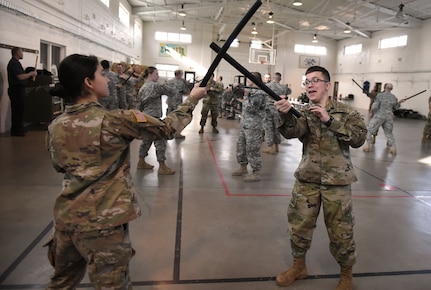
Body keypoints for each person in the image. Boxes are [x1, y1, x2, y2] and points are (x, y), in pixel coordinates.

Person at [44, 54, 207, 289]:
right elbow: (168, 128)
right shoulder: (116, 120)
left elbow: (59, 166)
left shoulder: (55, 125)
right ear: (88, 82)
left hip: (65, 221)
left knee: (61, 283)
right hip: (103, 225)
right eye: (102, 75)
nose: (108, 80)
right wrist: (191, 99)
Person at [274, 66, 367, 290]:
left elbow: (358, 139)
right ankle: (299, 266)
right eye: (307, 82)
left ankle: (346, 274)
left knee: (341, 231)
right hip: (308, 179)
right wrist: (285, 115)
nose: (310, 85)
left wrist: (329, 120)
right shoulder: (305, 112)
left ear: (327, 85)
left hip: (338, 183)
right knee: (299, 226)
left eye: (315, 80)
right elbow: (292, 132)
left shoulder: (347, 112)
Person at [137, 66, 178, 174]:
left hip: (145, 117)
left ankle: (141, 161)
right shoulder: (155, 86)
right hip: (154, 118)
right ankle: (162, 166)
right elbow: (172, 92)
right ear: (150, 74)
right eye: (156, 74)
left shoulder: (142, 88)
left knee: (146, 140)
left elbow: (139, 106)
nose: (158, 76)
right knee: (160, 141)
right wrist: (165, 84)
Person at [231, 72, 267, 182]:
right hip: (245, 124)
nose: (247, 81)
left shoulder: (260, 93)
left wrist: (246, 95)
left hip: (254, 126)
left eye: (249, 79)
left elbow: (252, 109)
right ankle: (243, 167)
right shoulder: (250, 91)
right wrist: (235, 89)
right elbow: (238, 96)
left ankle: (255, 172)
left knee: (252, 149)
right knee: (241, 146)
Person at [362, 83, 404, 155]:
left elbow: (375, 106)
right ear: (391, 89)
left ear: (384, 88)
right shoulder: (394, 97)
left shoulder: (380, 95)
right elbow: (396, 107)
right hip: (389, 117)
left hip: (379, 115)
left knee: (370, 129)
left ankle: (367, 146)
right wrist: (400, 102)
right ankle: (393, 148)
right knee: (389, 133)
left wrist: (372, 112)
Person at [6, 47, 37, 136]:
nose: (22, 54)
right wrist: (31, 73)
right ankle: (16, 131)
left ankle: (20, 128)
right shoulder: (14, 63)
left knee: (20, 110)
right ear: (17, 53)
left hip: (18, 89)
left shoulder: (16, 63)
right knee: (17, 110)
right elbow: (20, 77)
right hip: (16, 90)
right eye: (21, 52)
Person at [263, 72, 289, 154]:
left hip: (269, 109)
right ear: (280, 79)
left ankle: (270, 147)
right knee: (277, 128)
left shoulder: (267, 86)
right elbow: (287, 94)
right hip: (279, 110)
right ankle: (276, 147)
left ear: (272, 78)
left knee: (269, 128)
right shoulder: (284, 88)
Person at [166, 69, 190, 138]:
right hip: (177, 102)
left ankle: (166, 132)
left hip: (170, 101)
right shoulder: (182, 82)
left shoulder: (169, 81)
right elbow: (186, 91)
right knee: (178, 118)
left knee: (168, 117)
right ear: (179, 74)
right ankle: (177, 134)